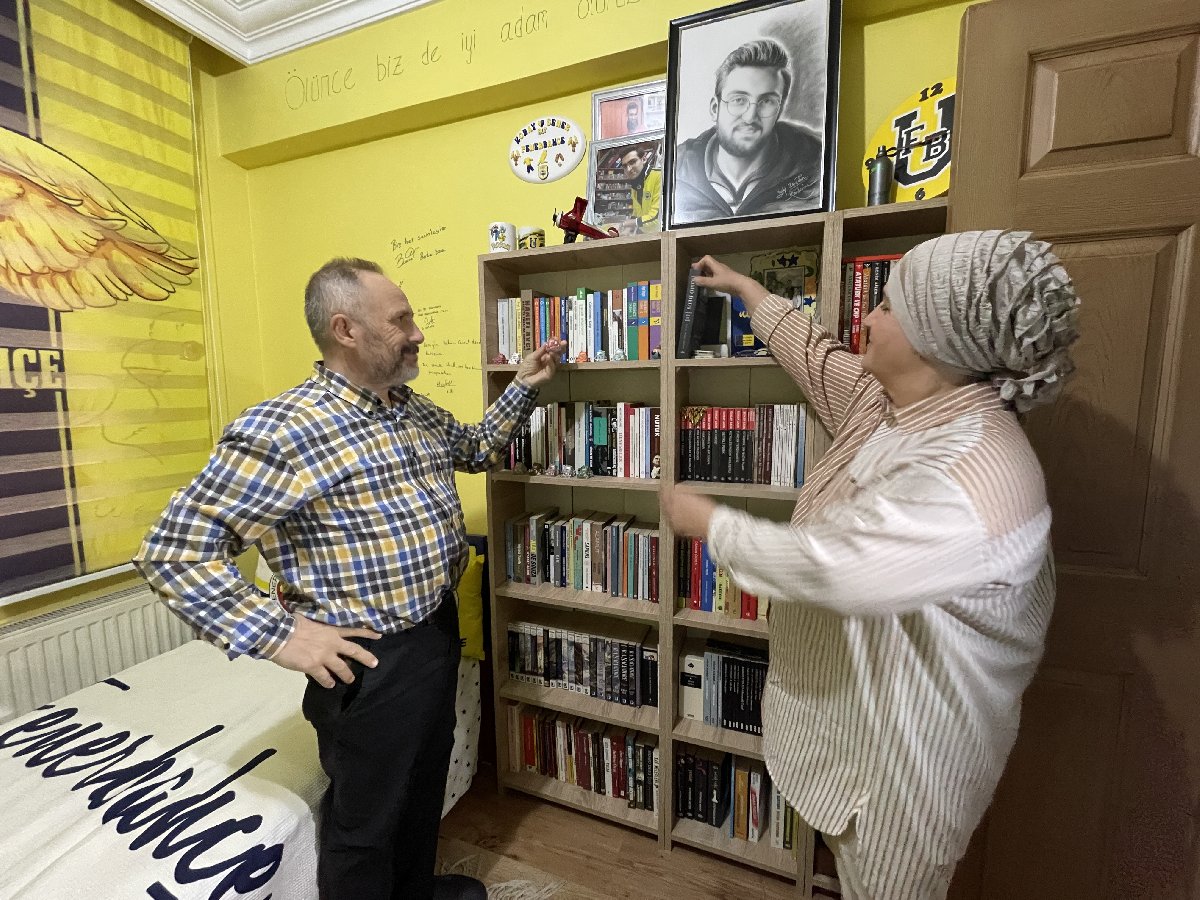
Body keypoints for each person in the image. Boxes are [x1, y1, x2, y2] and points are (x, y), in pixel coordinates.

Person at [662, 232, 1081, 899]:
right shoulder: (890, 403)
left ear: (936, 338)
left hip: (906, 771)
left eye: (887, 306)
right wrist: (747, 290)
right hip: (847, 733)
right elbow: (816, 357)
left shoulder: (980, 474)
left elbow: (838, 568)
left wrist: (712, 524)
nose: (867, 317)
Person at [133, 257, 562, 900]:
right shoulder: (284, 430)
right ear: (346, 330)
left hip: (434, 633)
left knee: (422, 789)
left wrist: (523, 385)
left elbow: (475, 448)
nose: (417, 334)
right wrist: (279, 635)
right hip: (368, 659)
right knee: (365, 826)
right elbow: (172, 552)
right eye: (401, 321)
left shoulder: (411, 410)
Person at [673, 38, 823, 223]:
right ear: (714, 108)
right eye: (738, 100)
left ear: (780, 110)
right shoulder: (677, 168)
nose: (750, 117)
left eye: (766, 101)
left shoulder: (816, 161)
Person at [619, 147, 661, 234]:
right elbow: (636, 212)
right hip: (644, 234)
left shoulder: (660, 176)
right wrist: (627, 229)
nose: (628, 169)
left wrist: (624, 224)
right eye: (625, 166)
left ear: (644, 159)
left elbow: (657, 216)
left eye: (632, 162)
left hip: (661, 235)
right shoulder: (635, 183)